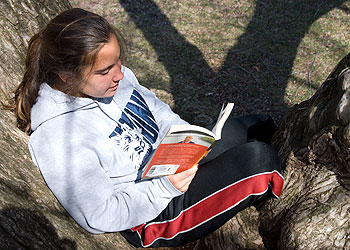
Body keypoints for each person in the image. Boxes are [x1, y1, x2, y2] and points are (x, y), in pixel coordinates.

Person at [12, 8, 284, 248]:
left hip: (171, 164)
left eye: (118, 60)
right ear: (66, 76)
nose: (119, 73)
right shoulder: (59, 137)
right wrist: (164, 188)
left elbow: (156, 110)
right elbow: (98, 215)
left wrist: (187, 136)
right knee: (260, 161)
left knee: (257, 125)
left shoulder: (116, 81)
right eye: (105, 70)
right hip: (152, 212)